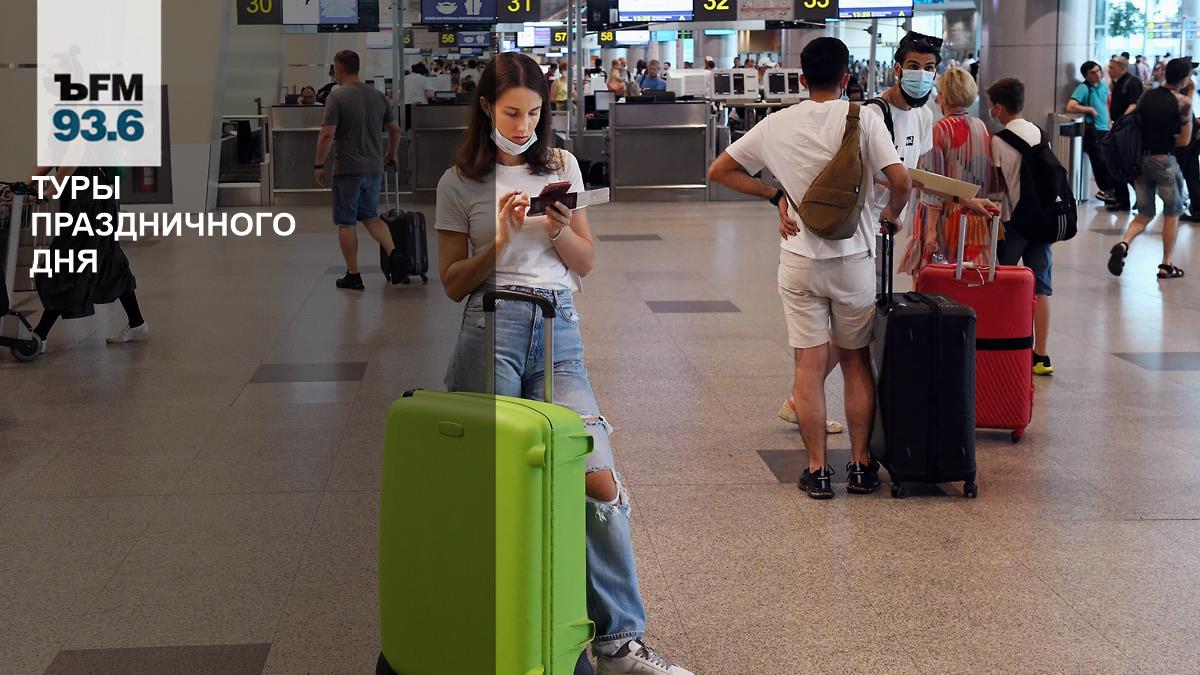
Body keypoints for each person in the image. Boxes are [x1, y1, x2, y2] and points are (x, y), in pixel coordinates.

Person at [435, 52, 694, 675]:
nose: (523, 126)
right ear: (485, 109)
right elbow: (451, 282)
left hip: (559, 328)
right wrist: (498, 242)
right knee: (495, 485)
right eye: (511, 113)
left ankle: (619, 643)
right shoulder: (458, 182)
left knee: (597, 477)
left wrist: (555, 230)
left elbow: (586, 261)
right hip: (491, 324)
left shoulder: (561, 165)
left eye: (533, 113)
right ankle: (496, 627)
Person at [708, 37, 912, 500]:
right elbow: (900, 181)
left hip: (800, 260)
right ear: (847, 79)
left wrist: (775, 195)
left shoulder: (775, 124)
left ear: (801, 79)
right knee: (856, 361)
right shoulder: (864, 118)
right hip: (854, 261)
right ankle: (859, 466)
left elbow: (719, 170)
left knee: (809, 364)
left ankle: (818, 470)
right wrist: (891, 214)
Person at [774, 30, 942, 432]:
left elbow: (916, 174)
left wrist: (957, 201)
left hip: (887, 228)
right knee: (855, 333)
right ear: (897, 69)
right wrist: (782, 197)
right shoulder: (872, 113)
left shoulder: (924, 115)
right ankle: (802, 399)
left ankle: (803, 397)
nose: (921, 74)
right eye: (914, 66)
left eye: (929, 68)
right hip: (860, 231)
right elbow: (851, 174)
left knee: (859, 327)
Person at [28, 166, 149, 351]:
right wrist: (26, 185)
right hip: (86, 197)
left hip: (88, 201)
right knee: (108, 262)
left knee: (66, 262)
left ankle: (40, 334)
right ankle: (137, 322)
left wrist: (49, 191)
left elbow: (72, 160)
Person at [314, 50, 405, 290]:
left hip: (347, 168)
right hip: (374, 168)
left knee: (346, 222)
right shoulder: (378, 96)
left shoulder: (337, 96)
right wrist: (391, 154)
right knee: (370, 217)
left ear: (339, 69)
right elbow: (395, 130)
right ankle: (394, 253)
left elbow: (326, 134)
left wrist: (318, 164)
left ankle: (353, 274)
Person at [988, 77, 1059, 376]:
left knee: (1004, 285)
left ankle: (1006, 347)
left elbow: (997, 187)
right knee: (1041, 289)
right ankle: (1041, 355)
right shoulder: (1041, 133)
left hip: (1014, 222)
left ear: (999, 108)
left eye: (992, 105)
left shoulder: (998, 140)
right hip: (1043, 221)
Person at [901, 67, 995, 275]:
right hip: (975, 216)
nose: (937, 99)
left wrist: (931, 230)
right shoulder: (980, 126)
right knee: (969, 279)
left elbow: (933, 183)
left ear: (945, 96)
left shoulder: (940, 130)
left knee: (933, 279)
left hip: (944, 218)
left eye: (939, 94)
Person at [1108, 57, 1194, 281]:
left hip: (1140, 162)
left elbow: (1134, 118)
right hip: (1164, 161)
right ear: (1185, 78)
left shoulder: (1148, 95)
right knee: (1172, 212)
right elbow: (1184, 141)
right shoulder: (1183, 102)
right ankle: (1166, 264)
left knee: (1145, 213)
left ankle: (1124, 243)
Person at [1067, 61, 1119, 204]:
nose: (1097, 74)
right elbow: (1071, 106)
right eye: (1092, 72)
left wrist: (1109, 120)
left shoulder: (1103, 86)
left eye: (1098, 70)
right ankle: (1107, 190)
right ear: (1086, 76)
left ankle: (1112, 192)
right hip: (1094, 131)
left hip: (1106, 128)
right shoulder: (1083, 88)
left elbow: (1105, 104)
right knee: (1099, 162)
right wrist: (1089, 109)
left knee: (1108, 161)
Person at [1107, 55, 1144, 212]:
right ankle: (1122, 201)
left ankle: (1141, 199)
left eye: (1112, 68)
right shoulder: (1117, 83)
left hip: (1126, 130)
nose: (1109, 70)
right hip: (1119, 127)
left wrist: (1120, 122)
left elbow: (1134, 105)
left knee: (1126, 164)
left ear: (1122, 68)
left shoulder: (1132, 82)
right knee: (1116, 163)